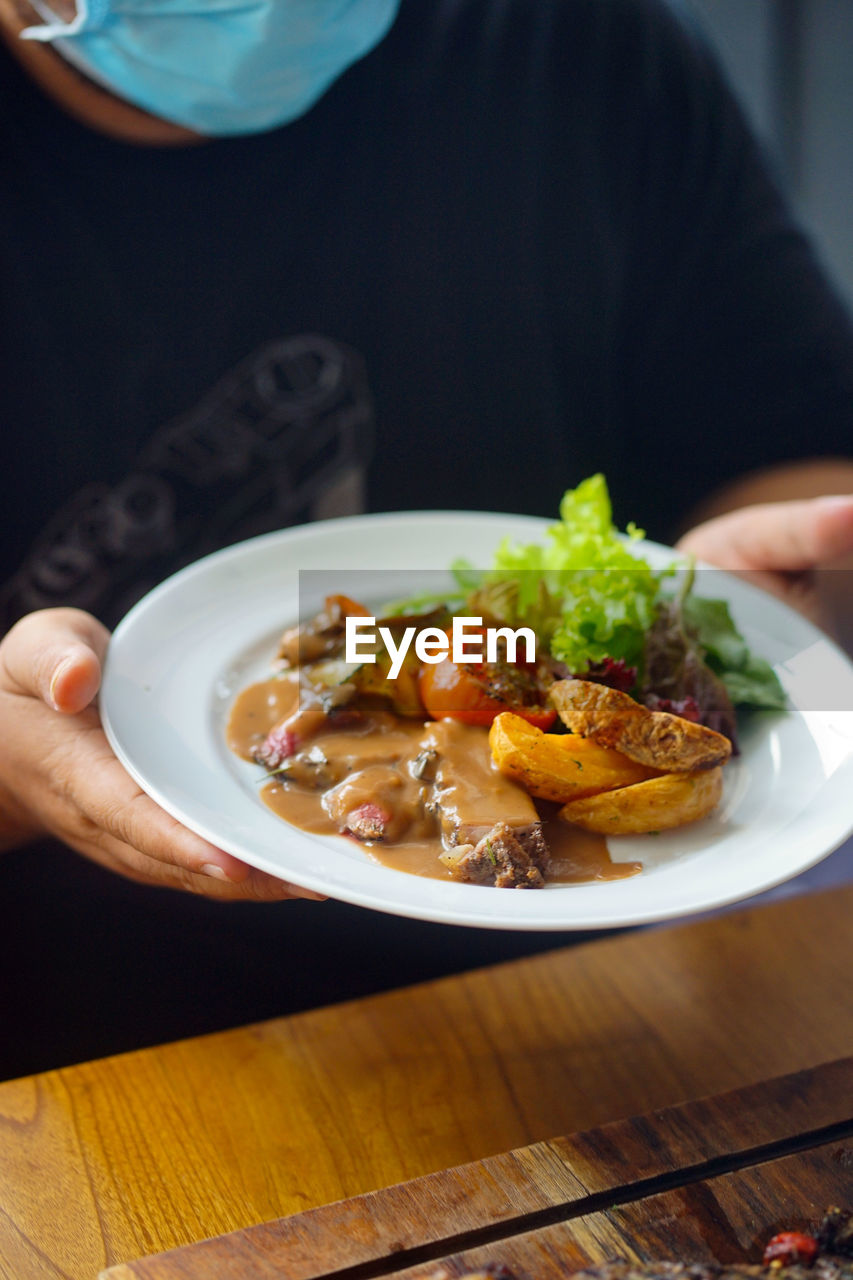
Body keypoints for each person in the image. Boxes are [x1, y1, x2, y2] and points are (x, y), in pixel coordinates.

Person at [0, 0, 851, 1077]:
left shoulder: (575, 41)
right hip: (105, 1056)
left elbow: (788, 440)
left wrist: (780, 611)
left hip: (632, 998)